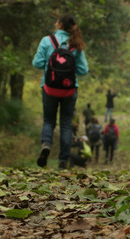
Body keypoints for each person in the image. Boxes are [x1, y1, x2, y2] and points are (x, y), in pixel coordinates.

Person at [32, 14, 89, 169]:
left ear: (59, 24)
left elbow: (37, 63)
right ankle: (63, 160)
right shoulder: (75, 44)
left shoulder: (46, 41)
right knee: (66, 124)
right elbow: (84, 70)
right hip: (69, 91)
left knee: (49, 120)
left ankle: (46, 145)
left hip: (49, 88)